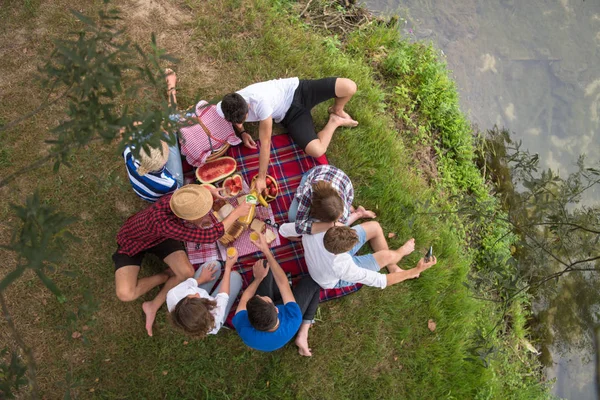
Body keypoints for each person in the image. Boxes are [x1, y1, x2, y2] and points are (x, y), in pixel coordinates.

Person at [113, 184, 251, 336]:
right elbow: (209, 236)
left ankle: (153, 305)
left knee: (186, 273)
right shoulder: (166, 225)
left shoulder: (179, 201)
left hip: (161, 239)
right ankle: (166, 275)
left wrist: (207, 193)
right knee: (126, 294)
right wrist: (237, 212)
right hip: (134, 242)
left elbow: (192, 193)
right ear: (187, 218)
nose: (206, 213)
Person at [216, 77, 358, 194]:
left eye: (244, 118)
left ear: (247, 105)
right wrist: (242, 132)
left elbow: (265, 145)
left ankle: (337, 109)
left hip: (299, 90)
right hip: (291, 115)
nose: (242, 122)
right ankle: (334, 121)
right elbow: (236, 120)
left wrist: (261, 178)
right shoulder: (225, 106)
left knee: (350, 87)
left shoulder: (261, 104)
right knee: (317, 150)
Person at [279, 221, 437, 290]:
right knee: (388, 256)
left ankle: (394, 268)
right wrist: (408, 260)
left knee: (374, 227)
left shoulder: (314, 227)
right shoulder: (344, 266)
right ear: (344, 252)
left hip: (325, 256)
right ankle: (394, 264)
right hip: (331, 279)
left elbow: (284, 230)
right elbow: (381, 281)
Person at [232, 232, 321, 356]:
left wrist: (258, 279)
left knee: (264, 266)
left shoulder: (242, 325)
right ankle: (304, 328)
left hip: (271, 322)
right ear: (276, 309)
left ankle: (279, 293)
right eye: (262, 298)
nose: (257, 295)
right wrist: (267, 251)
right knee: (313, 282)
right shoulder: (293, 317)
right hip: (289, 317)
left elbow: (244, 299)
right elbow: (282, 283)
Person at [122, 69, 185, 201]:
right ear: (164, 163)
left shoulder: (130, 151)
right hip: (167, 191)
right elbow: (176, 195)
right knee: (171, 123)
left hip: (144, 193)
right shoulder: (170, 183)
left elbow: (124, 129)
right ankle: (171, 86)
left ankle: (171, 87)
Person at [166, 250, 243, 337]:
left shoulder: (174, 294)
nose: (197, 294)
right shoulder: (214, 317)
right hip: (215, 309)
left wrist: (202, 279)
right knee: (235, 277)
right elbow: (223, 295)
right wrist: (228, 267)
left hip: (203, 306)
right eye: (198, 298)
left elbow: (190, 283)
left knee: (214, 265)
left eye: (191, 297)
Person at [287, 164, 376, 235]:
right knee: (292, 218)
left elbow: (341, 224)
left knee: (337, 226)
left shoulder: (343, 214)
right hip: (318, 172)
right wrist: (331, 225)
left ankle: (358, 214)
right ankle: (353, 210)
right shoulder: (309, 191)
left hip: (345, 184)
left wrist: (332, 225)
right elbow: (299, 227)